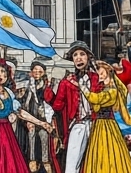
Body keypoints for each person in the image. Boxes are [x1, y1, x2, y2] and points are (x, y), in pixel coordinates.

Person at [50, 43, 101, 173]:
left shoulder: (97, 79)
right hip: (79, 124)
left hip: (97, 124)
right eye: (75, 55)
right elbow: (57, 105)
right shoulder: (67, 82)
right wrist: (53, 87)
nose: (79, 58)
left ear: (88, 57)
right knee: (72, 164)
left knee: (97, 161)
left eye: (82, 54)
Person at [77, 61, 131, 173]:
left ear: (108, 72)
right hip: (98, 124)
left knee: (110, 152)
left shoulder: (112, 90)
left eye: (102, 73)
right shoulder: (103, 89)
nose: (100, 76)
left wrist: (83, 87)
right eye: (98, 74)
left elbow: (96, 99)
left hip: (107, 125)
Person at [15, 62, 56, 173]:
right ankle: (32, 163)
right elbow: (22, 106)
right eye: (35, 70)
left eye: (40, 71)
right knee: (31, 133)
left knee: (44, 135)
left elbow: (51, 104)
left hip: (44, 120)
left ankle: (46, 163)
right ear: (31, 72)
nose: (37, 73)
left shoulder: (46, 86)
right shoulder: (27, 87)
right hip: (28, 120)